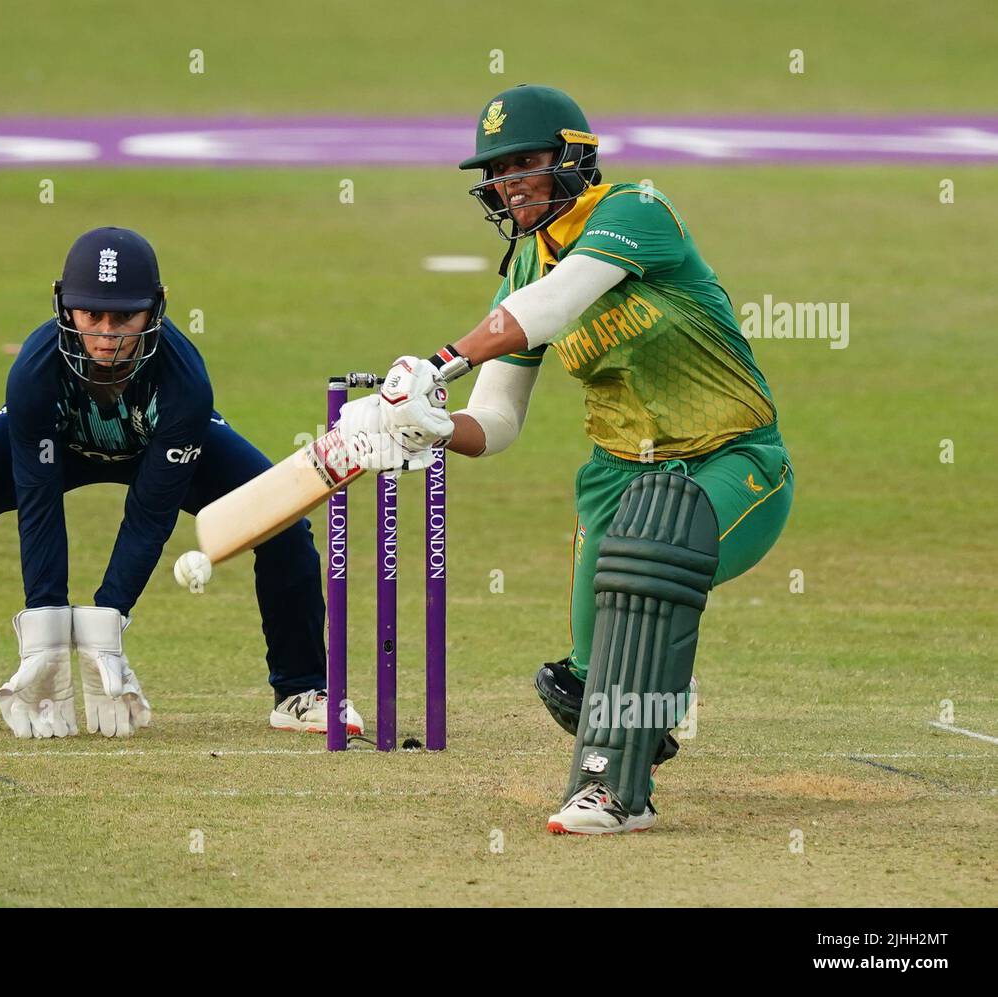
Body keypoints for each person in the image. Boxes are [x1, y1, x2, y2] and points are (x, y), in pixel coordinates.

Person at [339, 84, 793, 833]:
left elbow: (551, 309)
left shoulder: (635, 212)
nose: (507, 183)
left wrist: (438, 360)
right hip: (617, 480)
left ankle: (617, 791)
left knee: (651, 559)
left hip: (736, 460)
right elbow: (498, 416)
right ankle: (642, 706)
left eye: (524, 164)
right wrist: (432, 425)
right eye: (497, 170)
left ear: (574, 160)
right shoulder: (523, 268)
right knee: (582, 680)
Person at [0, 226, 361, 739]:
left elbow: (151, 513)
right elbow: (39, 503)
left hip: (157, 448)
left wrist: (106, 622)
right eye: (92, 315)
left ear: (156, 308)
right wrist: (47, 630)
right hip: (58, 448)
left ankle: (301, 690)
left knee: (280, 515)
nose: (107, 334)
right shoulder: (34, 374)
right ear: (64, 309)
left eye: (125, 316)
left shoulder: (185, 384)